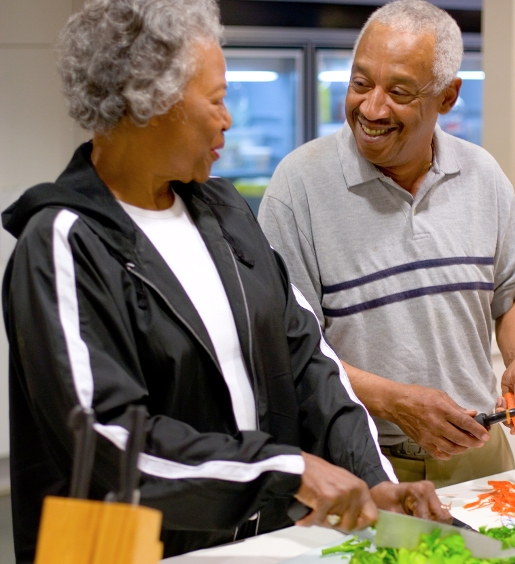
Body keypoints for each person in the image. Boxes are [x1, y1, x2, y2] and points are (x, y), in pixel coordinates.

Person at [1, 1, 451, 562]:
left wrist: (370, 475)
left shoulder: (223, 211)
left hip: (248, 543)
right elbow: (107, 440)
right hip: (118, 549)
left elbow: (307, 356)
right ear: (151, 103)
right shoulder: (64, 240)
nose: (228, 119)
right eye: (216, 100)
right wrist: (286, 470)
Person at [258, 0, 515, 488]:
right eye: (360, 83)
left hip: (480, 453)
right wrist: (396, 402)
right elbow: (286, 350)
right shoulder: (298, 187)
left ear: (448, 97)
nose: (371, 109)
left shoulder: (482, 175)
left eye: (399, 92)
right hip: (359, 457)